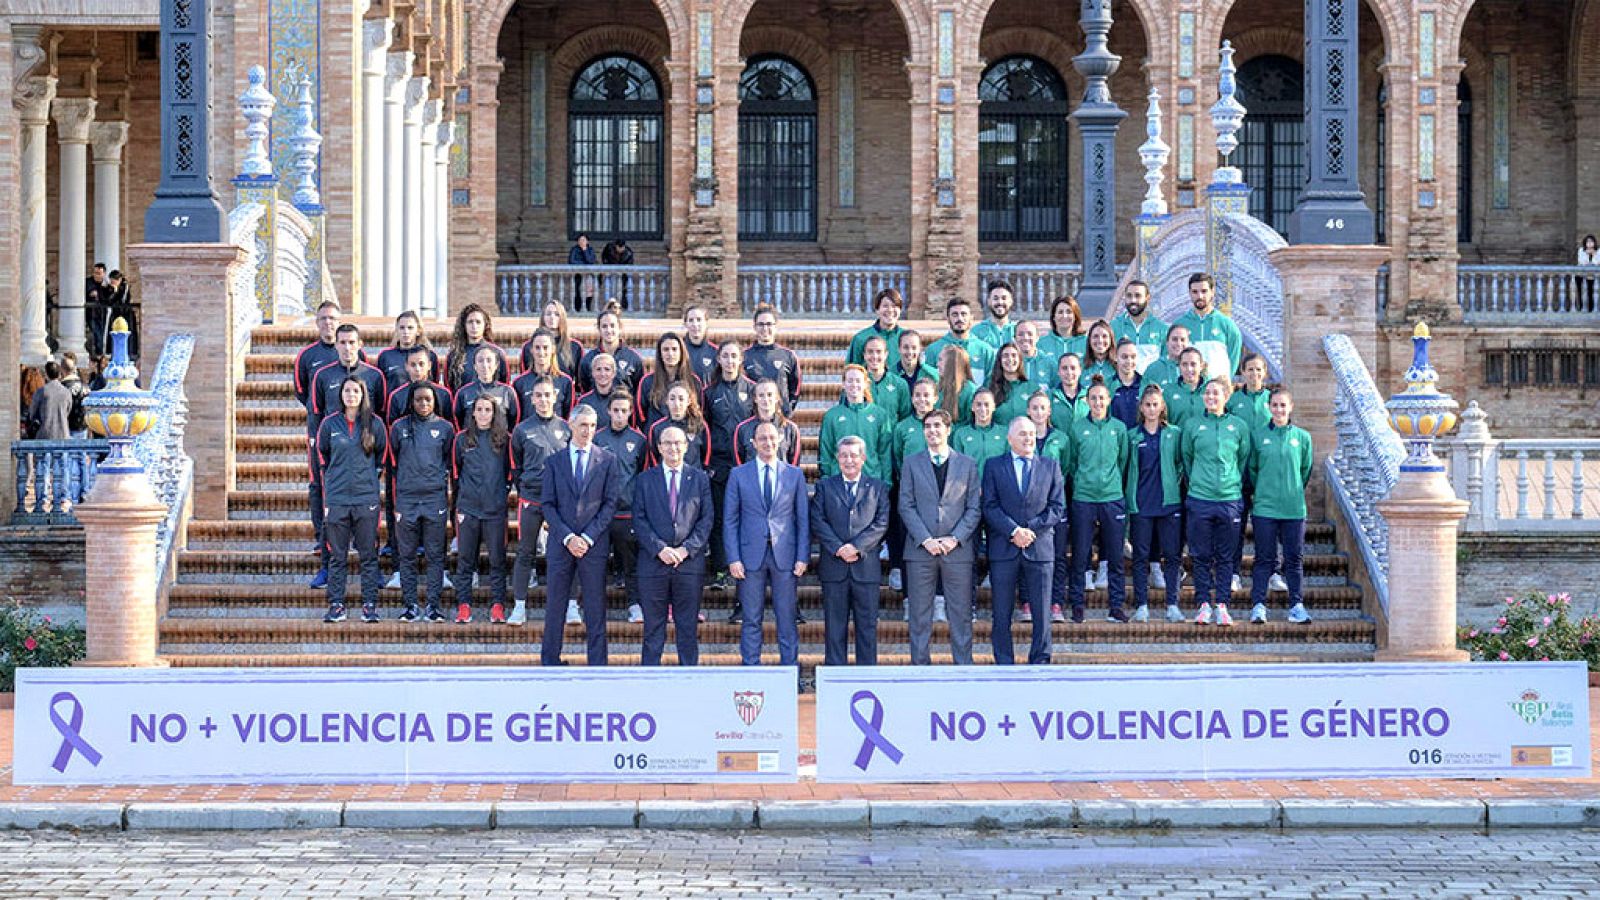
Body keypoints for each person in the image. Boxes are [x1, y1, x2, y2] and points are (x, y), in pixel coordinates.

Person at [539, 405, 622, 666]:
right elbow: (548, 504)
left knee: (595, 605)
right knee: (556, 605)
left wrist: (586, 538)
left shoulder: (607, 460)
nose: (588, 431)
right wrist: (567, 538)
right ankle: (550, 660)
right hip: (561, 544)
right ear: (571, 426)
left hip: (593, 545)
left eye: (592, 425)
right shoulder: (554, 461)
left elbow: (610, 504)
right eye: (583, 425)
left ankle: (597, 663)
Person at [724, 421, 810, 667]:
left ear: (781, 440)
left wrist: (803, 556)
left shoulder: (794, 475)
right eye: (762, 438)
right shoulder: (738, 474)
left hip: (785, 556)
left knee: (787, 619)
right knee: (751, 619)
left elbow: (802, 519)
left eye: (772, 438)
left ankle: (790, 672)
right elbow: (730, 520)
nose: (768, 443)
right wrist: (733, 558)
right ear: (753, 443)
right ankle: (752, 671)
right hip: (750, 557)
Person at [900, 410, 981, 664]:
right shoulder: (911, 463)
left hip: (957, 551)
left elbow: (974, 508)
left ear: (949, 430)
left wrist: (954, 539)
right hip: (920, 550)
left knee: (961, 615)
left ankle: (963, 669)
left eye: (937, 426)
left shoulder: (967, 464)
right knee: (919, 616)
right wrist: (925, 539)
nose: (932, 431)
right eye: (927, 426)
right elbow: (906, 505)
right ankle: (920, 670)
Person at [307, 324, 385, 589]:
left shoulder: (373, 376)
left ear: (360, 344)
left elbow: (381, 414)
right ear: (336, 344)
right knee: (331, 518)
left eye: (352, 342)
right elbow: (314, 412)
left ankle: (373, 573)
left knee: (368, 521)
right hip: (335, 454)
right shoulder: (322, 375)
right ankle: (327, 568)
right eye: (342, 342)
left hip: (364, 460)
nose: (347, 347)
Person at [982, 416, 1065, 665]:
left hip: (1038, 548)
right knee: (1002, 612)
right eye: (1022, 434)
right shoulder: (994, 466)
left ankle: (1040, 660)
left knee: (1041, 612)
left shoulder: (1050, 466)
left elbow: (1057, 507)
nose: (1028, 438)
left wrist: (1028, 530)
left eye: (1031, 433)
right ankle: (1004, 661)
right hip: (1004, 548)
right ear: (1010, 438)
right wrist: (1013, 531)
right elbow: (989, 505)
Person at [632, 425, 714, 665]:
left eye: (678, 443)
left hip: (688, 564)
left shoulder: (699, 479)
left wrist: (685, 549)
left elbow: (706, 519)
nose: (673, 448)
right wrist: (660, 549)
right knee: (653, 630)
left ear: (686, 446)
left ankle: (688, 681)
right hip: (653, 564)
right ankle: (649, 683)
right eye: (667, 443)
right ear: (659, 447)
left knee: (687, 628)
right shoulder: (645, 479)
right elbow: (639, 519)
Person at [812, 435, 890, 666]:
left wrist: (856, 547)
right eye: (844, 455)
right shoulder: (825, 486)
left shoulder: (878, 487)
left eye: (854, 455)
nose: (849, 460)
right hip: (834, 569)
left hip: (865, 569)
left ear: (863, 458)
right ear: (837, 458)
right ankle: (836, 677)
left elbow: (882, 522)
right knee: (834, 628)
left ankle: (866, 677)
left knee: (867, 628)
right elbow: (818, 520)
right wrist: (838, 548)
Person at [316, 377, 389, 623]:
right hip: (337, 498)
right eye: (346, 390)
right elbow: (323, 456)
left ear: (362, 394)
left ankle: (369, 605)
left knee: (368, 554)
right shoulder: (329, 424)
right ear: (341, 394)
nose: (351, 395)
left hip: (365, 498)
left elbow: (381, 457)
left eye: (355, 390)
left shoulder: (374, 424)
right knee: (337, 556)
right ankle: (337, 605)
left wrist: (367, 479)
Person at [1182, 377, 1251, 627]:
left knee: (1225, 556)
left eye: (1216, 393)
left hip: (1230, 499)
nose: (1211, 397)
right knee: (1200, 555)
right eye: (1207, 393)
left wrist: (1229, 483)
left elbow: (1242, 459)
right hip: (1200, 498)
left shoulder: (1238, 426)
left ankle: (1222, 604)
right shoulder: (1192, 425)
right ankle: (1202, 604)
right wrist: (1200, 482)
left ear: (1226, 397)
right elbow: (1187, 459)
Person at [1062, 379, 1132, 624]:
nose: (1098, 402)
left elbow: (1122, 460)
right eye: (1093, 398)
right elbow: (1071, 463)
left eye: (1102, 398)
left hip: (1112, 497)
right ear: (1087, 401)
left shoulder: (1119, 428)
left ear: (1109, 400)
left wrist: (1113, 484)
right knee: (1080, 555)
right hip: (1084, 498)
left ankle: (1115, 606)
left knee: (1115, 556)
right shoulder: (1078, 428)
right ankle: (1077, 606)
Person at [386, 385, 453, 621]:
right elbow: (393, 462)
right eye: (419, 400)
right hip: (407, 499)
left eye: (428, 399)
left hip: (435, 499)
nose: (423, 404)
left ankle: (433, 606)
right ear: (411, 402)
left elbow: (448, 460)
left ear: (435, 401)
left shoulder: (445, 428)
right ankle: (410, 605)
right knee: (407, 556)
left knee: (436, 555)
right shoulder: (399, 428)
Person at [1248, 386, 1314, 625]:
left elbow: (1305, 470)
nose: (1278, 409)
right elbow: (1253, 470)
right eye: (1274, 405)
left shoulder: (1302, 438)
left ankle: (1296, 605)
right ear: (1269, 407)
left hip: (1294, 509)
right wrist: (1264, 490)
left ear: (1290, 407)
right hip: (1265, 508)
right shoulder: (1258, 436)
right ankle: (1258, 605)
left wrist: (1291, 490)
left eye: (1282, 405)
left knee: (1294, 558)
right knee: (1264, 558)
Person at [510, 377, 573, 614]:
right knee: (526, 551)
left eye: (548, 395)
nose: (544, 399)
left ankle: (571, 605)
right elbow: (516, 467)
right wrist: (528, 487)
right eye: (539, 395)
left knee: (565, 552)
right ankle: (519, 606)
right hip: (531, 499)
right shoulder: (522, 429)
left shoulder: (567, 428)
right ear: (532, 398)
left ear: (555, 397)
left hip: (560, 501)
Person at [1126, 384, 1186, 623]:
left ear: (1162, 407)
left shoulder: (1174, 433)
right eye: (1147, 405)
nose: (1151, 409)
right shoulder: (1132, 436)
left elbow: (1182, 462)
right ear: (1141, 407)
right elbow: (1125, 466)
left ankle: (1172, 605)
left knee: (1172, 556)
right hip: (1141, 505)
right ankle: (1141, 605)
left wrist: (1172, 482)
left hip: (1168, 504)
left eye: (1155, 405)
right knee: (1140, 557)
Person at [451, 396, 511, 625]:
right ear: (473, 413)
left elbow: (509, 473)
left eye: (488, 409)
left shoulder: (505, 440)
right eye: (480, 409)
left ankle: (497, 606)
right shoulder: (461, 440)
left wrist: (499, 498)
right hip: (468, 509)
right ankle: (464, 606)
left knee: (497, 561)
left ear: (494, 413)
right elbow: (456, 475)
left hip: (494, 510)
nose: (484, 413)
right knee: (466, 561)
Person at [704, 341, 754, 591]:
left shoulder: (753, 389)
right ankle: (720, 569)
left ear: (741, 360)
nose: (730, 361)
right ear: (719, 360)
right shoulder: (710, 392)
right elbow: (704, 429)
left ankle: (746, 565)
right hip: (720, 464)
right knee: (720, 517)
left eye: (735, 356)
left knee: (747, 517)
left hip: (747, 463)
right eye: (726, 356)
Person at [595, 392, 648, 625]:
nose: (619, 415)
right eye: (615, 410)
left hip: (627, 513)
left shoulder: (639, 440)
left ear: (630, 412)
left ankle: (635, 605)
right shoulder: (597, 438)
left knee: (630, 564)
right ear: (608, 411)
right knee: (595, 563)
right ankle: (594, 607)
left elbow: (643, 475)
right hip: (600, 514)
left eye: (623, 411)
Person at [888, 378, 939, 593]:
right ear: (912, 398)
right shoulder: (902, 427)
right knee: (910, 540)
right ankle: (910, 596)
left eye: (927, 395)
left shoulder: (943, 425)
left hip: (937, 493)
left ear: (935, 398)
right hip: (910, 492)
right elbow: (898, 457)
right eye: (918, 395)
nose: (922, 399)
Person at [819, 365, 893, 484]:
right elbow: (825, 451)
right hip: (839, 481)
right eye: (850, 380)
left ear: (865, 384)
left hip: (871, 479)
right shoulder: (832, 416)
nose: (854, 384)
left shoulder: (880, 415)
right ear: (843, 384)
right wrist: (826, 479)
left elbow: (885, 452)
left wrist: (886, 482)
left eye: (858, 381)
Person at [1172, 273, 1243, 386]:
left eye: (1204, 291)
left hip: (1217, 392)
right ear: (1189, 293)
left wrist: (1227, 379)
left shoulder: (1227, 324)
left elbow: (1233, 357)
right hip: (1188, 389)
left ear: (1212, 291)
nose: (1200, 296)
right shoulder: (1179, 324)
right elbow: (1173, 357)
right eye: (1195, 292)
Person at [636, 332, 704, 432]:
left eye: (674, 349)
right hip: (656, 438)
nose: (670, 354)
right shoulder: (647, 381)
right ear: (660, 353)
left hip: (684, 438)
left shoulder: (693, 381)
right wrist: (652, 431)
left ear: (681, 352)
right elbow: (640, 414)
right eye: (665, 349)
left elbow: (700, 410)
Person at [742, 304, 803, 415]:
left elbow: (795, 388)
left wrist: (787, 409)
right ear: (754, 327)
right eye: (761, 324)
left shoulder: (788, 356)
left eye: (769, 324)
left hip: (780, 419)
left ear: (775, 327)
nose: (765, 329)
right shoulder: (745, 357)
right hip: (752, 418)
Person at [926, 298, 997, 384]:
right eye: (955, 315)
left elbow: (991, 384)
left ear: (971, 318)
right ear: (948, 319)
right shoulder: (933, 350)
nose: (960, 319)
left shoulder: (985, 350)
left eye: (964, 314)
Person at [734, 380, 802, 468]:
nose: (766, 399)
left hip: (782, 480)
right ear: (755, 399)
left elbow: (794, 464)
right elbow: (739, 463)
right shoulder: (742, 429)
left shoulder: (791, 429)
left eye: (770, 395)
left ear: (777, 398)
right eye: (761, 395)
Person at [578, 304, 645, 394]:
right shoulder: (588, 360)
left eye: (612, 326)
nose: (609, 330)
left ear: (619, 327)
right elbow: (585, 390)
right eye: (604, 326)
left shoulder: (633, 358)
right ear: (599, 329)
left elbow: (639, 391)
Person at [443, 303, 509, 393]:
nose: (474, 326)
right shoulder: (454, 355)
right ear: (464, 325)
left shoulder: (496, 353)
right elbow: (448, 387)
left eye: (478, 322)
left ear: (485, 325)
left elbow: (505, 385)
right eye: (470, 322)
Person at [646, 382, 712, 471]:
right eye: (672, 399)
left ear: (688, 401)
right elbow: (653, 457)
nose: (676, 404)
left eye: (681, 399)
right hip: (667, 479)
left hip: (693, 479)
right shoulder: (656, 428)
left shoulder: (700, 425)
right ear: (666, 401)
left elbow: (707, 456)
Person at [376, 311, 439, 401]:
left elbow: (434, 384)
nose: (406, 332)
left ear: (418, 331)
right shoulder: (386, 356)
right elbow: (380, 388)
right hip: (396, 408)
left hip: (421, 407)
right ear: (397, 330)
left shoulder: (430, 355)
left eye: (410, 328)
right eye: (402, 328)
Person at [453, 346, 520, 430]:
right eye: (480, 361)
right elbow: (458, 420)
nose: (485, 365)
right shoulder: (463, 393)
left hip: (500, 441)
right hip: (471, 442)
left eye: (489, 360)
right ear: (475, 366)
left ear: (496, 365)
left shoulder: (507, 391)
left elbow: (513, 420)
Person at [385, 346, 454, 426]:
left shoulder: (444, 394)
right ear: (406, 367)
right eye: (413, 365)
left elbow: (450, 427)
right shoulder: (396, 396)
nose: (417, 369)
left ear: (429, 366)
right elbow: (392, 428)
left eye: (421, 364)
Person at [513, 330, 574, 419]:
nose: (541, 352)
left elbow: (568, 417)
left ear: (553, 349)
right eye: (537, 347)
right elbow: (516, 417)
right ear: (531, 350)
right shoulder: (519, 383)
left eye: (545, 347)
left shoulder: (565, 381)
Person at [1109, 280, 1168, 372]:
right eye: (1129, 296)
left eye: (1137, 296)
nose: (1133, 300)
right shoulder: (1113, 327)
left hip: (1151, 384)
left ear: (1147, 298)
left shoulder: (1162, 329)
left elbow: (1165, 363)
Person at [847, 288, 906, 371]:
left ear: (900, 310)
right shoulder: (860, 338)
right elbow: (851, 371)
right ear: (877, 310)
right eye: (885, 306)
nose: (890, 310)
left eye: (894, 306)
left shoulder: (906, 338)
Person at [953, 388, 1008, 474]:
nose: (982, 409)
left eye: (987, 405)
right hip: (971, 484)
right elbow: (958, 465)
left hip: (998, 485)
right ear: (972, 407)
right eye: (978, 404)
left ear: (993, 407)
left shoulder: (1005, 433)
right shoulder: (961, 434)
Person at [861, 335, 911, 423]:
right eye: (870, 352)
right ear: (864, 355)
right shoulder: (855, 384)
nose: (875, 356)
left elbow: (905, 418)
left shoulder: (900, 384)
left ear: (886, 354)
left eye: (878, 352)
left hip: (890, 435)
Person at [988, 342, 1034, 427]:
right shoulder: (989, 386)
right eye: (1005, 356)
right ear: (999, 360)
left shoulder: (1032, 388)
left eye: (1014, 355)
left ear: (1020, 359)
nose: (1010, 359)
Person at [534, 300, 584, 376]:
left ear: (562, 317)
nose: (552, 317)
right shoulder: (530, 346)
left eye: (557, 314)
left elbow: (580, 379)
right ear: (543, 317)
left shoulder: (575, 347)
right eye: (548, 314)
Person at [25, 360, 71, 440]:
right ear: (59, 374)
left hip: (44, 434)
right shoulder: (66, 392)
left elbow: (32, 413)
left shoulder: (41, 392)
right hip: (63, 434)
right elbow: (68, 411)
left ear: (46, 374)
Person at [935, 344, 979, 428]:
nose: (937, 364)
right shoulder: (938, 387)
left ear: (951, 363)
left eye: (940, 360)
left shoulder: (970, 391)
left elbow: (972, 423)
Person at [1166, 346, 1208, 430]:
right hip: (1178, 441)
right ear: (1179, 366)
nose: (1189, 369)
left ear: (1201, 366)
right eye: (1184, 364)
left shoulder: (1211, 391)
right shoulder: (1169, 392)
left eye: (1193, 364)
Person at [572, 353, 623, 420]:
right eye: (598, 369)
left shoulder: (623, 400)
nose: (602, 374)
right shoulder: (584, 401)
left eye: (607, 369)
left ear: (614, 373)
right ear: (592, 373)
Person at [1039, 295, 1087, 363]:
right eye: (1060, 312)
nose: (1064, 316)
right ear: (1053, 317)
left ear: (1075, 316)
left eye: (1069, 312)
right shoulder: (1041, 343)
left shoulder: (1086, 342)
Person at [1143, 323, 1190, 394]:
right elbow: (1143, 398)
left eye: (1182, 340)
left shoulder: (1195, 368)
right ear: (1167, 342)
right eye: (1174, 339)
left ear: (1188, 343)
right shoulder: (1153, 369)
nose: (1179, 343)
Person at [1107, 340, 1144, 429]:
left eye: (1133, 357)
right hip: (1115, 439)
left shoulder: (1147, 385)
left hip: (1140, 440)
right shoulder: (1106, 385)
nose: (1129, 361)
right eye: (1124, 357)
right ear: (1116, 357)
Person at [971, 280, 1018, 350]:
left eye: (1004, 298)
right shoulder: (976, 332)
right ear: (989, 301)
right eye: (995, 298)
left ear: (1011, 301)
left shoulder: (1018, 330)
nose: (1000, 302)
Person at [1048, 353, 1088, 432]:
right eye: (1064, 368)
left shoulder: (1090, 395)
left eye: (1073, 368)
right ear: (1058, 372)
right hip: (1058, 443)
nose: (1069, 372)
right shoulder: (1049, 397)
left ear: (1080, 371)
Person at [682, 304, 719, 385]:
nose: (695, 324)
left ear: (706, 323)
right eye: (691, 320)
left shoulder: (715, 352)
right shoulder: (679, 349)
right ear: (685, 324)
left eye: (699, 320)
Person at [1015, 320, 1055, 388]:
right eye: (1020, 334)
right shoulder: (1010, 363)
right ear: (1015, 338)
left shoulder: (1050, 363)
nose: (1025, 338)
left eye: (1030, 334)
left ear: (1037, 338)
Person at [85, 263, 112, 358]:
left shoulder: (106, 284)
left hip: (102, 313)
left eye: (99, 273)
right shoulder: (89, 282)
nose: (96, 275)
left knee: (101, 332)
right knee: (96, 333)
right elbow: (91, 293)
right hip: (91, 313)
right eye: (95, 273)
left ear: (104, 274)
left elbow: (108, 297)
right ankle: (99, 353)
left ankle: (101, 353)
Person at [600, 236, 634, 308]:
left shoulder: (628, 252)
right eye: (619, 247)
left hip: (623, 274)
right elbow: (604, 257)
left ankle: (623, 305)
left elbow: (630, 264)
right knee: (610, 288)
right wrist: (607, 266)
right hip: (610, 271)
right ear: (616, 246)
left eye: (622, 248)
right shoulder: (609, 248)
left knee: (624, 289)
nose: (621, 249)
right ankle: (610, 305)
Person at [1081, 320, 1117, 385]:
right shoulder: (1080, 364)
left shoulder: (1119, 365)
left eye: (1104, 336)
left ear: (1111, 340)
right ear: (1089, 340)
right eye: (1095, 336)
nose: (1100, 340)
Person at [568, 233, 599, 311]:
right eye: (580, 240)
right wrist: (583, 265)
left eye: (583, 240)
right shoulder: (574, 250)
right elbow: (572, 261)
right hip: (578, 275)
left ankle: (587, 308)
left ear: (587, 241)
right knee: (577, 292)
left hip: (589, 275)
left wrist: (585, 250)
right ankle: (577, 309)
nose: (582, 242)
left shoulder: (590, 250)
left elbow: (591, 261)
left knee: (589, 293)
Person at [59, 354, 88, 437]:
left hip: (68, 428)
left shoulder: (63, 388)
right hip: (83, 427)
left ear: (62, 369)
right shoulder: (85, 386)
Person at [1578, 235, 1599, 310]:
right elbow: (1582, 262)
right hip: (1582, 276)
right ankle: (1582, 307)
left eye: (1591, 241)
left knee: (1592, 293)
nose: (1589, 243)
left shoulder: (1598, 251)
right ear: (1585, 243)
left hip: (1594, 276)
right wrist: (1587, 254)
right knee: (1582, 293)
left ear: (1594, 243)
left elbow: (1597, 263)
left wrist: (1593, 254)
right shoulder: (1581, 250)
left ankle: (1593, 308)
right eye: (1588, 242)